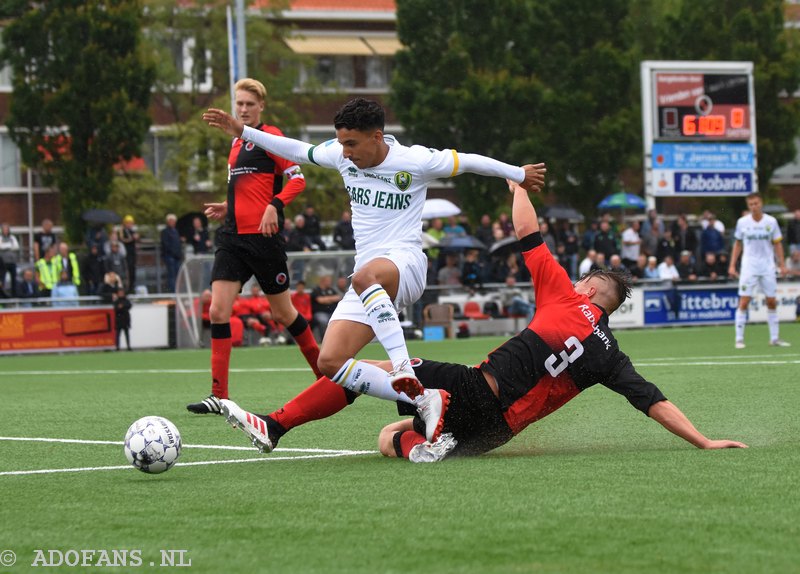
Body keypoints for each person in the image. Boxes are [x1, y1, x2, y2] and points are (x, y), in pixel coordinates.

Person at [203, 96, 545, 448]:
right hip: (368, 278)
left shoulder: (414, 160)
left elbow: (471, 161)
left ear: (377, 137)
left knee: (364, 276)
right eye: (341, 143)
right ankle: (424, 398)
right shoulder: (340, 155)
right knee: (331, 361)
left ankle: (402, 369)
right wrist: (243, 130)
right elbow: (297, 149)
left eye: (352, 143)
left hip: (404, 264)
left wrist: (518, 174)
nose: (345, 152)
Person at [371, 180, 746, 462]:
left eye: (581, 280)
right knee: (391, 436)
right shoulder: (610, 355)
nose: (574, 282)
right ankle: (421, 437)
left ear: (590, 292)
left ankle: (339, 373)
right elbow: (652, 400)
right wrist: (703, 440)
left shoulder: (565, 298)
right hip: (496, 433)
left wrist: (518, 185)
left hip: (477, 391)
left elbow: (527, 234)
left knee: (369, 371)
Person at [187, 78, 322, 416]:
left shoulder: (271, 137)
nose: (243, 109)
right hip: (232, 237)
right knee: (218, 311)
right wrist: (226, 205)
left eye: (249, 104)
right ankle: (219, 395)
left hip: (264, 241)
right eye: (239, 103)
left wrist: (275, 205)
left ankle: (327, 377)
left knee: (282, 313)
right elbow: (247, 189)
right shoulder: (234, 145)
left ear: (261, 106)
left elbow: (298, 179)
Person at [728, 192, 789, 349]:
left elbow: (777, 244)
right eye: (751, 205)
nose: (754, 207)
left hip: (768, 266)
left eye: (756, 203)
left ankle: (774, 338)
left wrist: (782, 264)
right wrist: (732, 265)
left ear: (761, 203)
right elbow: (738, 244)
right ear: (748, 206)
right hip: (749, 267)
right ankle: (739, 339)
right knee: (744, 301)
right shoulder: (742, 222)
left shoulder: (771, 221)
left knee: (771, 301)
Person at [310, 274, 342, 340]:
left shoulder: (331, 290)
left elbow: (338, 297)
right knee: (323, 321)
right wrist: (331, 299)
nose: (329, 282)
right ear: (323, 281)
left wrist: (326, 299)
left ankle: (337, 339)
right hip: (320, 313)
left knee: (339, 321)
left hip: (332, 312)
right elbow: (320, 300)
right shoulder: (316, 290)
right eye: (328, 281)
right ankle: (325, 340)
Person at [160, 213, 183, 292]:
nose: (172, 222)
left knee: (177, 274)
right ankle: (173, 291)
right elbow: (165, 244)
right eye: (171, 221)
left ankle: (178, 290)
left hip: (177, 256)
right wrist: (173, 252)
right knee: (171, 274)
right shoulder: (165, 232)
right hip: (170, 256)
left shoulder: (176, 231)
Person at [119, 215, 139, 291]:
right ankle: (127, 288)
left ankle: (132, 287)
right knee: (127, 271)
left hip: (132, 254)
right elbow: (123, 240)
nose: (130, 224)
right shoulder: (122, 231)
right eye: (128, 223)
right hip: (126, 255)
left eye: (131, 223)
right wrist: (132, 239)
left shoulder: (132, 231)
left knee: (132, 271)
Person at [0, 223, 20, 296]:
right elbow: (0, 246)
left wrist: (5, 247)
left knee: (14, 279)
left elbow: (16, 246)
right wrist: (9, 246)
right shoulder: (0, 238)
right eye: (4, 229)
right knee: (2, 280)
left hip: (12, 262)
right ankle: (2, 295)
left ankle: (14, 295)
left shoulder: (12, 237)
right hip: (3, 263)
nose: (6, 231)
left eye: (7, 229)